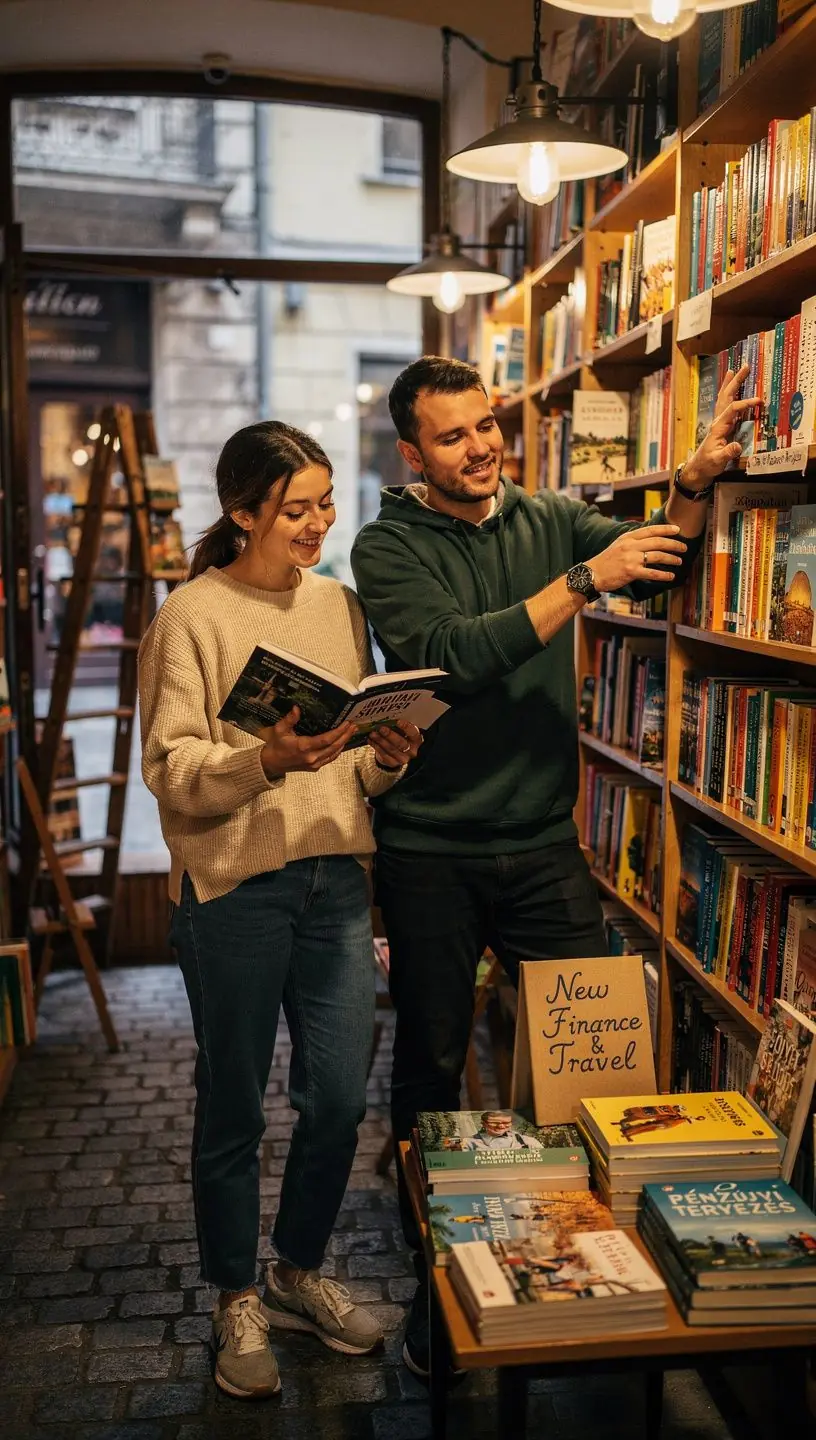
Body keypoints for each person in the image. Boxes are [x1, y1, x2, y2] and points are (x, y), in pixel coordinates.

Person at [350, 354, 758, 1377]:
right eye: (453, 435)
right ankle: (436, 1293)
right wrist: (581, 582)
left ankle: (592, 1272)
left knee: (596, 1063)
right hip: (429, 851)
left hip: (543, 844)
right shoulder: (385, 544)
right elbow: (454, 653)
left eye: (486, 425)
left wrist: (693, 482)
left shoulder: (545, 516)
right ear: (413, 454)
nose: (480, 446)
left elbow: (654, 560)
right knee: (433, 1066)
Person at [138, 421, 421, 1401]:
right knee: (233, 1106)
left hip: (334, 880)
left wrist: (384, 759)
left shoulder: (339, 606)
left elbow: (350, 765)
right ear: (243, 512)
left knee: (339, 1097)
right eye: (296, 507)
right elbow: (170, 768)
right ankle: (234, 1297)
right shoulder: (191, 617)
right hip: (232, 889)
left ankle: (297, 1272)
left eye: (326, 502)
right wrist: (265, 760)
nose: (318, 522)